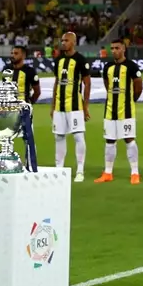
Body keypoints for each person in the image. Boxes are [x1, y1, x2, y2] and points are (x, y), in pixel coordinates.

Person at [96, 39, 143, 184]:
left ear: (123, 49)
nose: (114, 50)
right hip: (110, 110)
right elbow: (107, 85)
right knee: (110, 141)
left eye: (117, 48)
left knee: (129, 140)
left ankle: (135, 173)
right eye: (112, 48)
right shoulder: (108, 67)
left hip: (126, 111)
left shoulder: (132, 66)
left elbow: (138, 87)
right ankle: (108, 173)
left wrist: (130, 100)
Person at [52, 31, 91, 182]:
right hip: (59, 107)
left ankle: (80, 170)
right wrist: (52, 105)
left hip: (75, 106)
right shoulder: (59, 60)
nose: (63, 43)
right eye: (62, 40)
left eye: (66, 40)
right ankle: (59, 169)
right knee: (59, 136)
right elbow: (57, 82)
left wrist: (85, 106)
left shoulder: (80, 60)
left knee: (78, 136)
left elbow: (87, 83)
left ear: (73, 42)